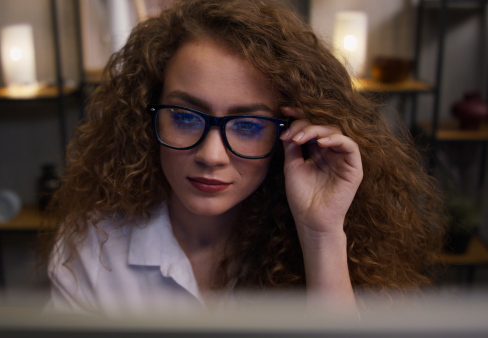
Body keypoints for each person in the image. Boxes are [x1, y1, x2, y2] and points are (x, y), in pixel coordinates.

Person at [45, 0, 444, 317]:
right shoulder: (94, 245)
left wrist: (321, 233)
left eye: (249, 126)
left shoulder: (316, 243)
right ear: (145, 116)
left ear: (290, 133)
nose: (211, 155)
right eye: (185, 117)